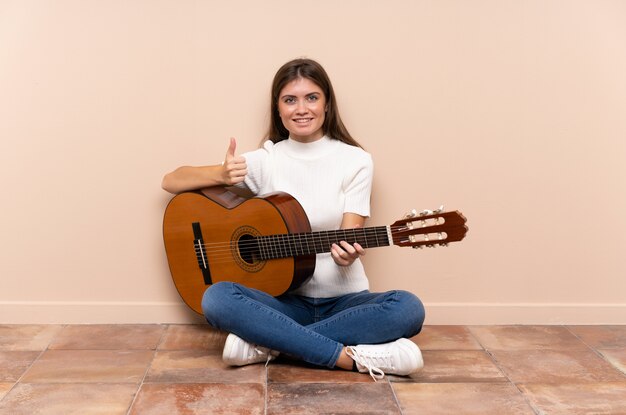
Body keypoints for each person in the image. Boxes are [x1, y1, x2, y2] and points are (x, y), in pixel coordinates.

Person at [161, 58, 425, 380]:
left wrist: (348, 255)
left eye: (311, 97)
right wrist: (220, 172)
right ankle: (348, 358)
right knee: (216, 298)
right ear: (279, 108)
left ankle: (268, 343)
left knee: (408, 308)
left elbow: (349, 233)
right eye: (290, 100)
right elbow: (171, 180)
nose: (302, 109)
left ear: (327, 104)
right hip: (282, 303)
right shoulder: (267, 160)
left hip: (345, 302)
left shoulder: (355, 160)